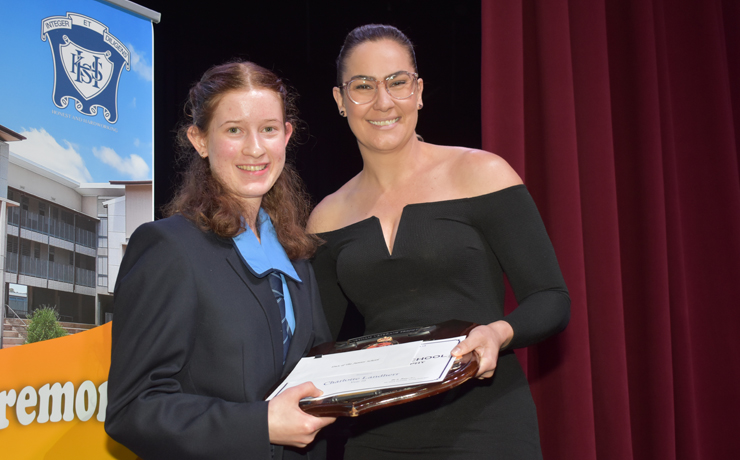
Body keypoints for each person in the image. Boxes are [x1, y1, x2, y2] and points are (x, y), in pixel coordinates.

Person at [308, 25, 570, 459]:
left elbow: (551, 298)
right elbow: (316, 344)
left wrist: (497, 333)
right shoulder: (326, 216)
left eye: (397, 82)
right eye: (363, 86)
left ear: (418, 91)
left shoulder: (481, 174)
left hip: (487, 425)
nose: (383, 101)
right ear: (340, 100)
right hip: (375, 437)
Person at [105, 61, 335, 460]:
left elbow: (314, 368)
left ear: (286, 135)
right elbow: (133, 409)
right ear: (199, 140)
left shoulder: (294, 254)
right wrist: (261, 425)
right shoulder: (167, 248)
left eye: (268, 129)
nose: (255, 148)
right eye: (234, 130)